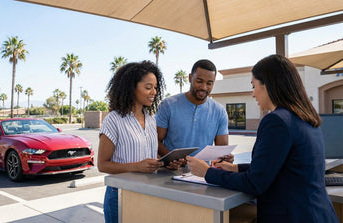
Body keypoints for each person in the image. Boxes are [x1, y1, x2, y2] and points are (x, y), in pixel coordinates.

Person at [186, 54, 339, 222]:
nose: (253, 94)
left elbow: (255, 183)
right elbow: (278, 166)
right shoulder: (306, 118)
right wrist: (235, 168)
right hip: (318, 213)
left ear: (268, 85)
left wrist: (207, 172)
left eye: (254, 86)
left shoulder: (276, 121)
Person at [98, 60, 165, 223]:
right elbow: (102, 165)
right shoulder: (113, 120)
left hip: (149, 193)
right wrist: (136, 167)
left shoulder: (150, 120)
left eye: (155, 87)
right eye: (148, 87)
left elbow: (149, 156)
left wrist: (163, 163)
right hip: (120, 196)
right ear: (131, 87)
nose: (154, 92)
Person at [156, 59, 232, 161]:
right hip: (170, 172)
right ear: (190, 78)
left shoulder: (219, 111)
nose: (204, 87)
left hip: (203, 174)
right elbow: (155, 141)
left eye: (209, 83)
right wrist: (174, 159)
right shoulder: (168, 105)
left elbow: (221, 149)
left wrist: (226, 158)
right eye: (199, 81)